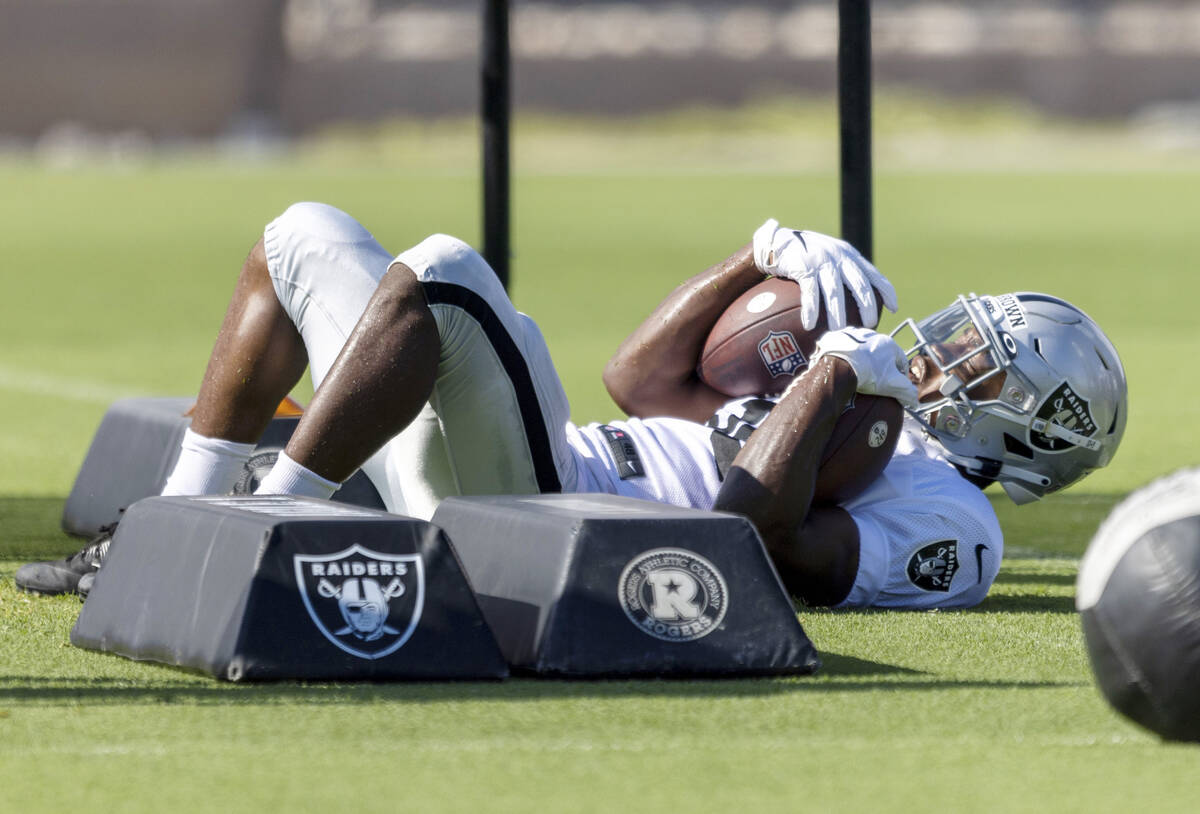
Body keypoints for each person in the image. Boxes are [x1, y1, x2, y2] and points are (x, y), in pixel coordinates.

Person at [16, 204, 1127, 608]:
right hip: (524, 464)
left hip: (553, 526)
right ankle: (163, 532)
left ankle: (258, 533)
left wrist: (835, 377)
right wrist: (757, 254)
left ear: (1031, 442)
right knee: (298, 236)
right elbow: (638, 383)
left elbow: (755, 544)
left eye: (989, 368)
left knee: (446, 271)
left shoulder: (960, 526)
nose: (950, 356)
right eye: (968, 339)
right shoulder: (874, 388)